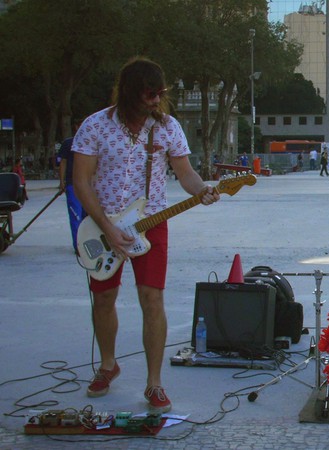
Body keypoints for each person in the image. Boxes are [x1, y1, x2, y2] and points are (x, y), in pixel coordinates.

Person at [72, 57, 220, 414]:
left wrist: (203, 189)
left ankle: (154, 383)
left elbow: (186, 174)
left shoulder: (168, 127)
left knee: (152, 299)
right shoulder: (94, 126)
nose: (156, 101)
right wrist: (107, 227)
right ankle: (108, 365)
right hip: (102, 224)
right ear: (129, 92)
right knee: (104, 299)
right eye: (149, 94)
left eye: (160, 93)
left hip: (151, 222)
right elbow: (80, 182)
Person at [57, 127, 86, 253]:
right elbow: (63, 162)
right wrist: (62, 181)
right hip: (72, 183)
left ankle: (87, 242)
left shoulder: (90, 141)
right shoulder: (69, 143)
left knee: (86, 216)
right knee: (76, 215)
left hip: (88, 184)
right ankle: (78, 245)